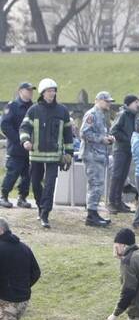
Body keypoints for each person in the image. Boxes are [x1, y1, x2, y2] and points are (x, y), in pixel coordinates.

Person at [19, 78, 73, 229]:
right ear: (42, 93)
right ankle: (39, 206)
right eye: (49, 91)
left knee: (49, 186)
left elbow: (68, 134)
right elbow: (24, 128)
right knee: (35, 184)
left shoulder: (62, 111)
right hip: (35, 155)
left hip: (54, 156)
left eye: (54, 90)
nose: (52, 93)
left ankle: (45, 214)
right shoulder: (33, 110)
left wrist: (69, 153)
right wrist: (25, 141)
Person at [80, 91, 116, 228]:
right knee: (95, 185)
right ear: (98, 100)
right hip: (92, 155)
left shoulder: (102, 115)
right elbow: (84, 133)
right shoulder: (92, 114)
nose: (109, 104)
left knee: (98, 185)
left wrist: (108, 138)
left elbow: (100, 132)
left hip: (100, 154)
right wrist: (101, 139)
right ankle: (91, 214)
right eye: (107, 101)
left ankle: (94, 212)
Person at [1, 82, 35, 209]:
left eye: (32, 90)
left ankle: (22, 197)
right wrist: (19, 139)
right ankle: (3, 196)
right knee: (13, 172)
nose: (30, 92)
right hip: (16, 147)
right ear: (20, 91)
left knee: (27, 174)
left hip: (30, 148)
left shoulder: (33, 107)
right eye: (28, 90)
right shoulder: (13, 106)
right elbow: (5, 125)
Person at [108, 95, 139, 214]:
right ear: (129, 103)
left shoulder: (132, 116)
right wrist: (127, 139)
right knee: (117, 175)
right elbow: (114, 130)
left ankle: (118, 201)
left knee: (123, 176)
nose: (138, 104)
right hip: (120, 149)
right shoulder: (123, 115)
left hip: (128, 149)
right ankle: (112, 202)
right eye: (136, 102)